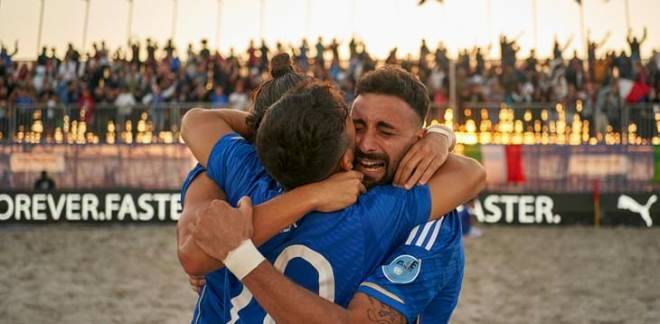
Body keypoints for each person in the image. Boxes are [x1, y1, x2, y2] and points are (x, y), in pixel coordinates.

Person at [179, 60, 485, 323]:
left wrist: (440, 135)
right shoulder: (386, 211)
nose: (366, 143)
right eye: (358, 125)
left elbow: (193, 255)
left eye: (385, 131)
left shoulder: (236, 174)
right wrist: (441, 136)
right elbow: (471, 173)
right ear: (344, 152)